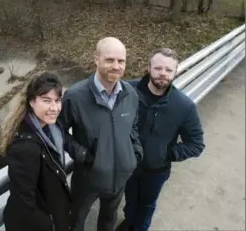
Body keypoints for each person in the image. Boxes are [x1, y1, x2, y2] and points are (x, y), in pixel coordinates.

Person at [58, 37, 144, 231]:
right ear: (96, 59)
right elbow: (58, 130)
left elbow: (133, 126)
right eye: (109, 60)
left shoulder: (130, 94)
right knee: (75, 221)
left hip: (120, 177)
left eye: (121, 61)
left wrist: (134, 152)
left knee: (108, 222)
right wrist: (82, 155)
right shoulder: (75, 96)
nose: (116, 66)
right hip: (88, 178)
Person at [118, 48, 205, 231]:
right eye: (158, 68)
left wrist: (166, 153)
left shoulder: (184, 106)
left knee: (147, 206)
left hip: (156, 171)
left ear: (176, 72)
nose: (163, 74)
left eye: (168, 70)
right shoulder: (126, 91)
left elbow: (196, 144)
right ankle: (129, 221)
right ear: (149, 68)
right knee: (130, 200)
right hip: (128, 164)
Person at [0, 71, 87, 231]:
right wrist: (51, 225)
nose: (54, 108)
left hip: (54, 212)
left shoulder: (51, 126)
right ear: (32, 101)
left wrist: (84, 154)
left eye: (58, 101)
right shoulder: (25, 147)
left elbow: (64, 139)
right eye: (46, 101)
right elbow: (24, 202)